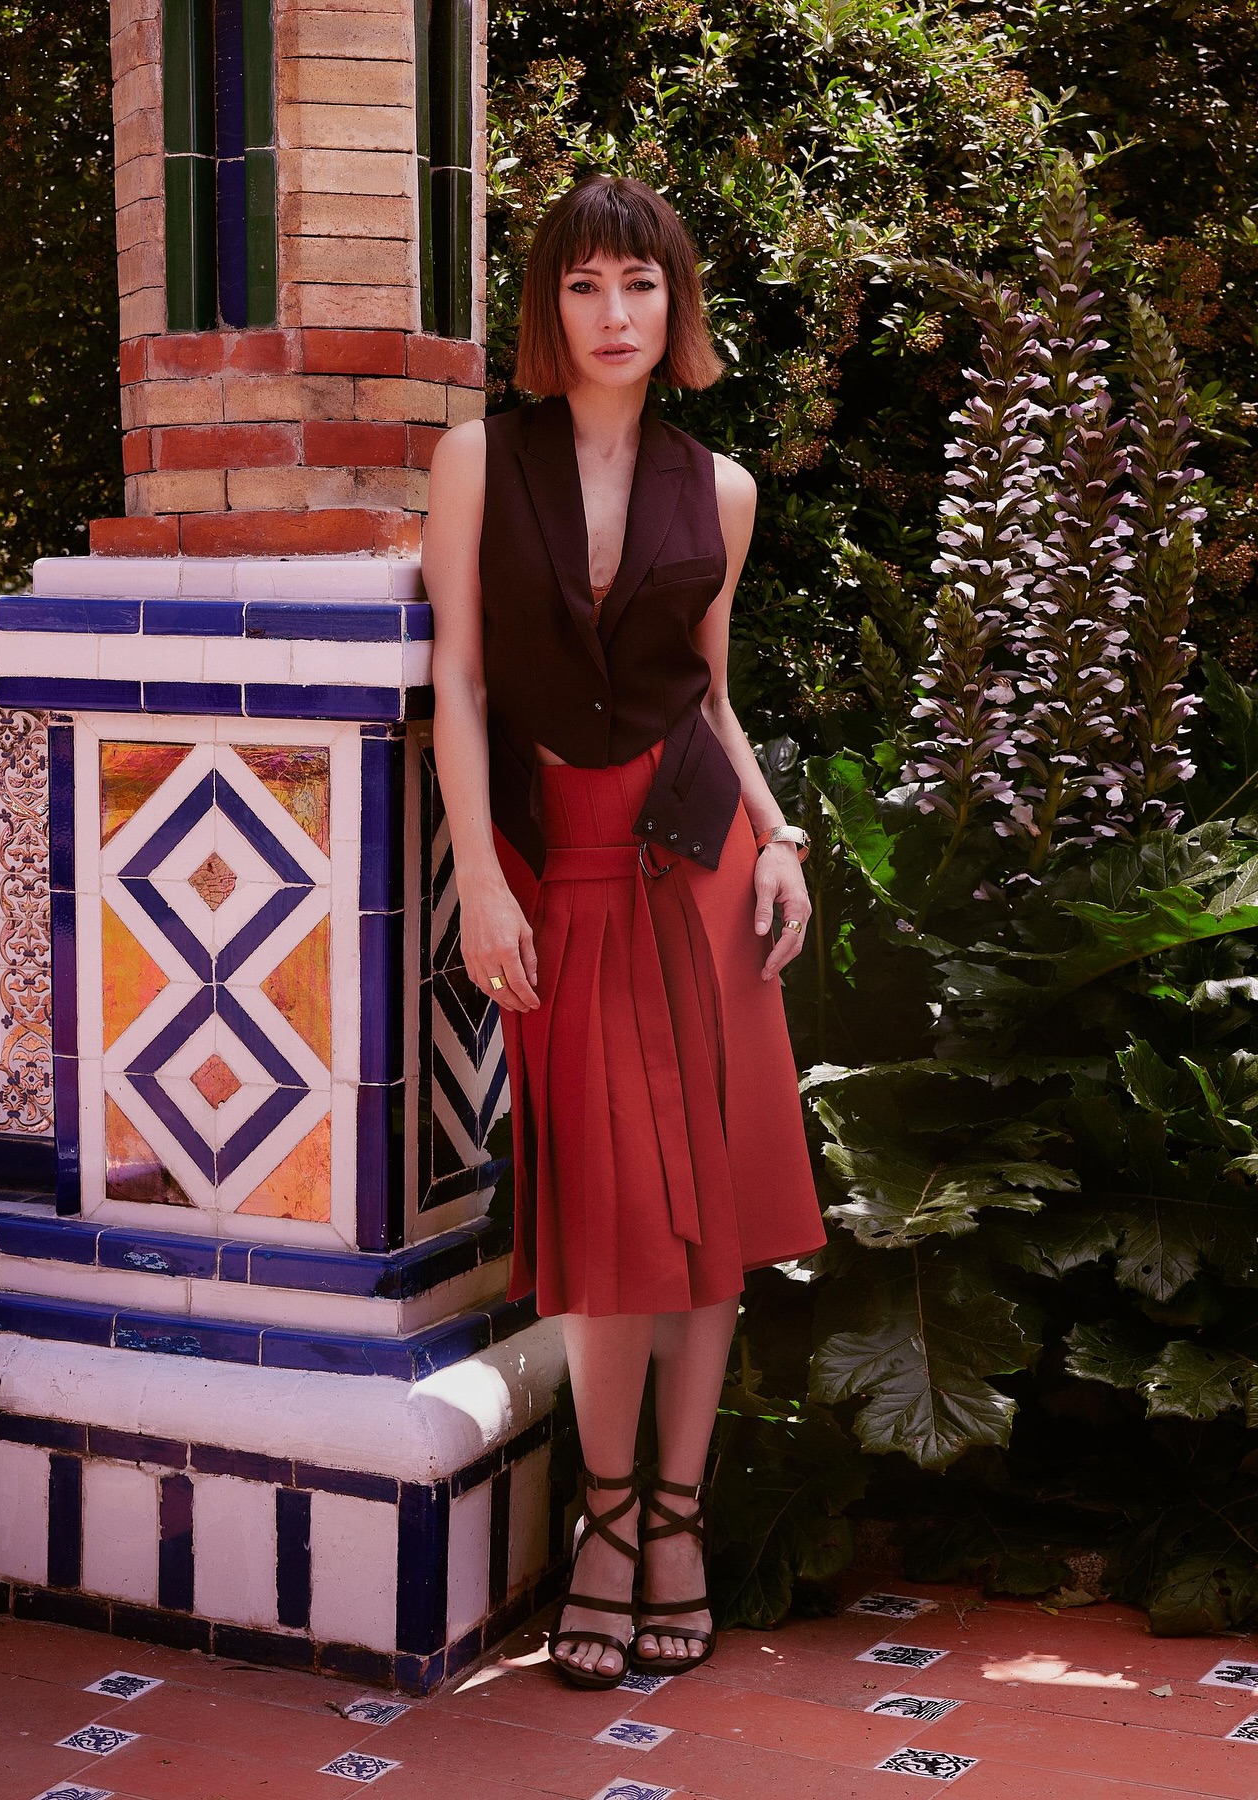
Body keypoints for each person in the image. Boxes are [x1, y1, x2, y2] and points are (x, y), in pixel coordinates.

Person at [422, 174, 826, 1691]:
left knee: (705, 1212)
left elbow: (710, 698)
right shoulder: (480, 459)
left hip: (704, 868)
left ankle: (675, 1521)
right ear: (550, 305)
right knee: (603, 1214)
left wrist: (781, 840)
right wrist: (481, 875)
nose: (614, 314)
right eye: (585, 285)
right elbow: (462, 684)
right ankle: (602, 1521)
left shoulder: (722, 488)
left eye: (640, 286)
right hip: (567, 869)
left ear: (677, 306)